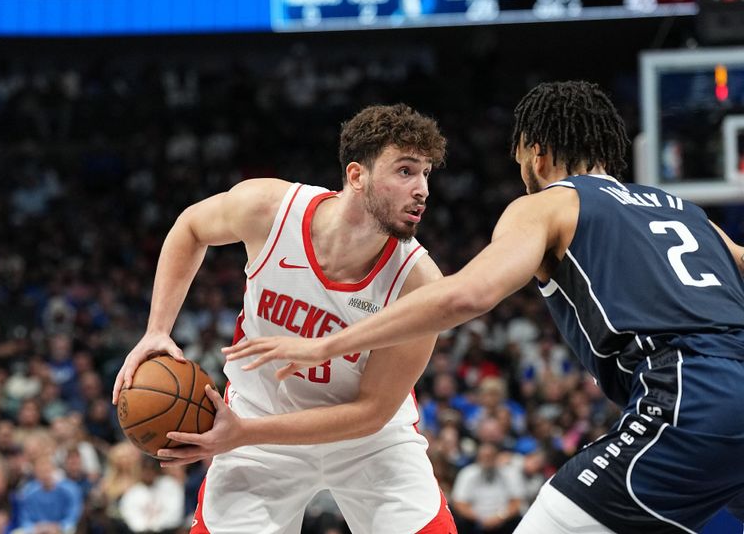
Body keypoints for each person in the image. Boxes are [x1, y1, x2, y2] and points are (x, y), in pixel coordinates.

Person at [225, 80, 744, 533]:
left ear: (536, 155)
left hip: (686, 399)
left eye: (520, 160)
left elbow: (465, 295)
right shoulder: (689, 214)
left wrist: (329, 343)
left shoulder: (549, 204)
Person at [112, 104, 456, 533]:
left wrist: (242, 435)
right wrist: (157, 330)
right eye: (405, 171)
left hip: (368, 443)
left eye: (426, 173)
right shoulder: (271, 209)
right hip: (257, 419)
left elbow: (371, 411)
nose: (422, 188)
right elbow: (191, 228)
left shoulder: (418, 283)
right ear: (356, 176)